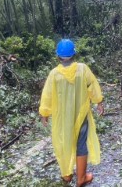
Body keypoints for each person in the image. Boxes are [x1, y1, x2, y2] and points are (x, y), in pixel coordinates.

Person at [39, 39, 104, 186]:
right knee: (81, 144)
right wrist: (98, 102)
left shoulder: (54, 74)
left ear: (58, 56)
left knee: (63, 143)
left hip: (62, 119)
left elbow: (47, 95)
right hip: (80, 116)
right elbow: (92, 85)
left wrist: (44, 113)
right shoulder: (82, 69)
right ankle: (81, 178)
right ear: (74, 54)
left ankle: (67, 175)